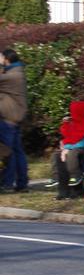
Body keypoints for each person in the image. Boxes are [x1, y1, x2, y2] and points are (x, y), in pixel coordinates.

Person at [0, 48, 29, 193]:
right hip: (13, 118)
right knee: (17, 152)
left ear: (7, 59)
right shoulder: (15, 72)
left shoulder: (13, 76)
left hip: (9, 119)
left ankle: (8, 183)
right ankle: (22, 184)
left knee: (8, 152)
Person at [46, 100, 84, 188]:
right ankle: (56, 177)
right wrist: (65, 124)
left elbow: (79, 138)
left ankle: (75, 174)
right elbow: (66, 134)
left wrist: (67, 147)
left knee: (72, 154)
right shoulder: (72, 122)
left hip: (81, 147)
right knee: (55, 155)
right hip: (71, 146)